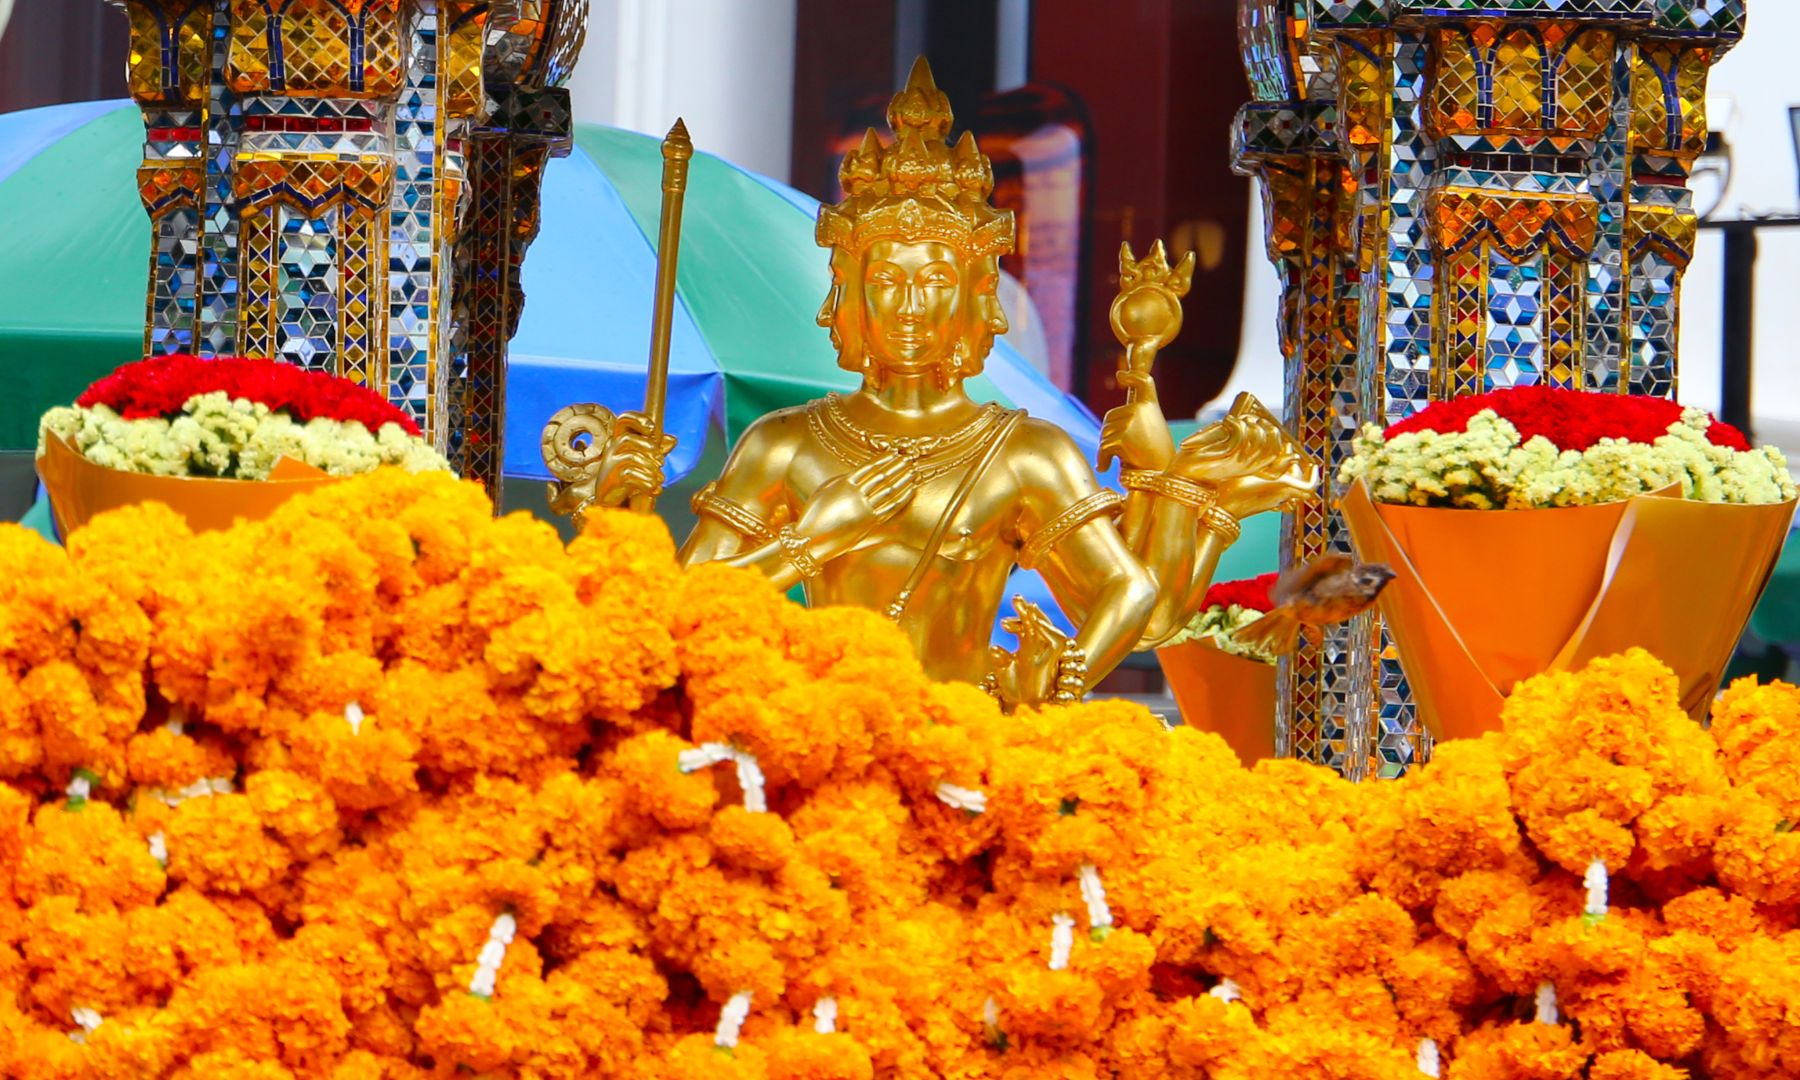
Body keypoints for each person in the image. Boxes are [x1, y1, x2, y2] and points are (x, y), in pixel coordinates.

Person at [543, 60, 1317, 708]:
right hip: (816, 728)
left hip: (968, 735)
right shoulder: (784, 443)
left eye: (937, 280)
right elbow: (689, 610)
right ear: (849, 293)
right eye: (886, 279)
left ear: (978, 297)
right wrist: (807, 539)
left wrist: (1069, 667)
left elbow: (1134, 604)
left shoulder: (1023, 452)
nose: (910, 307)